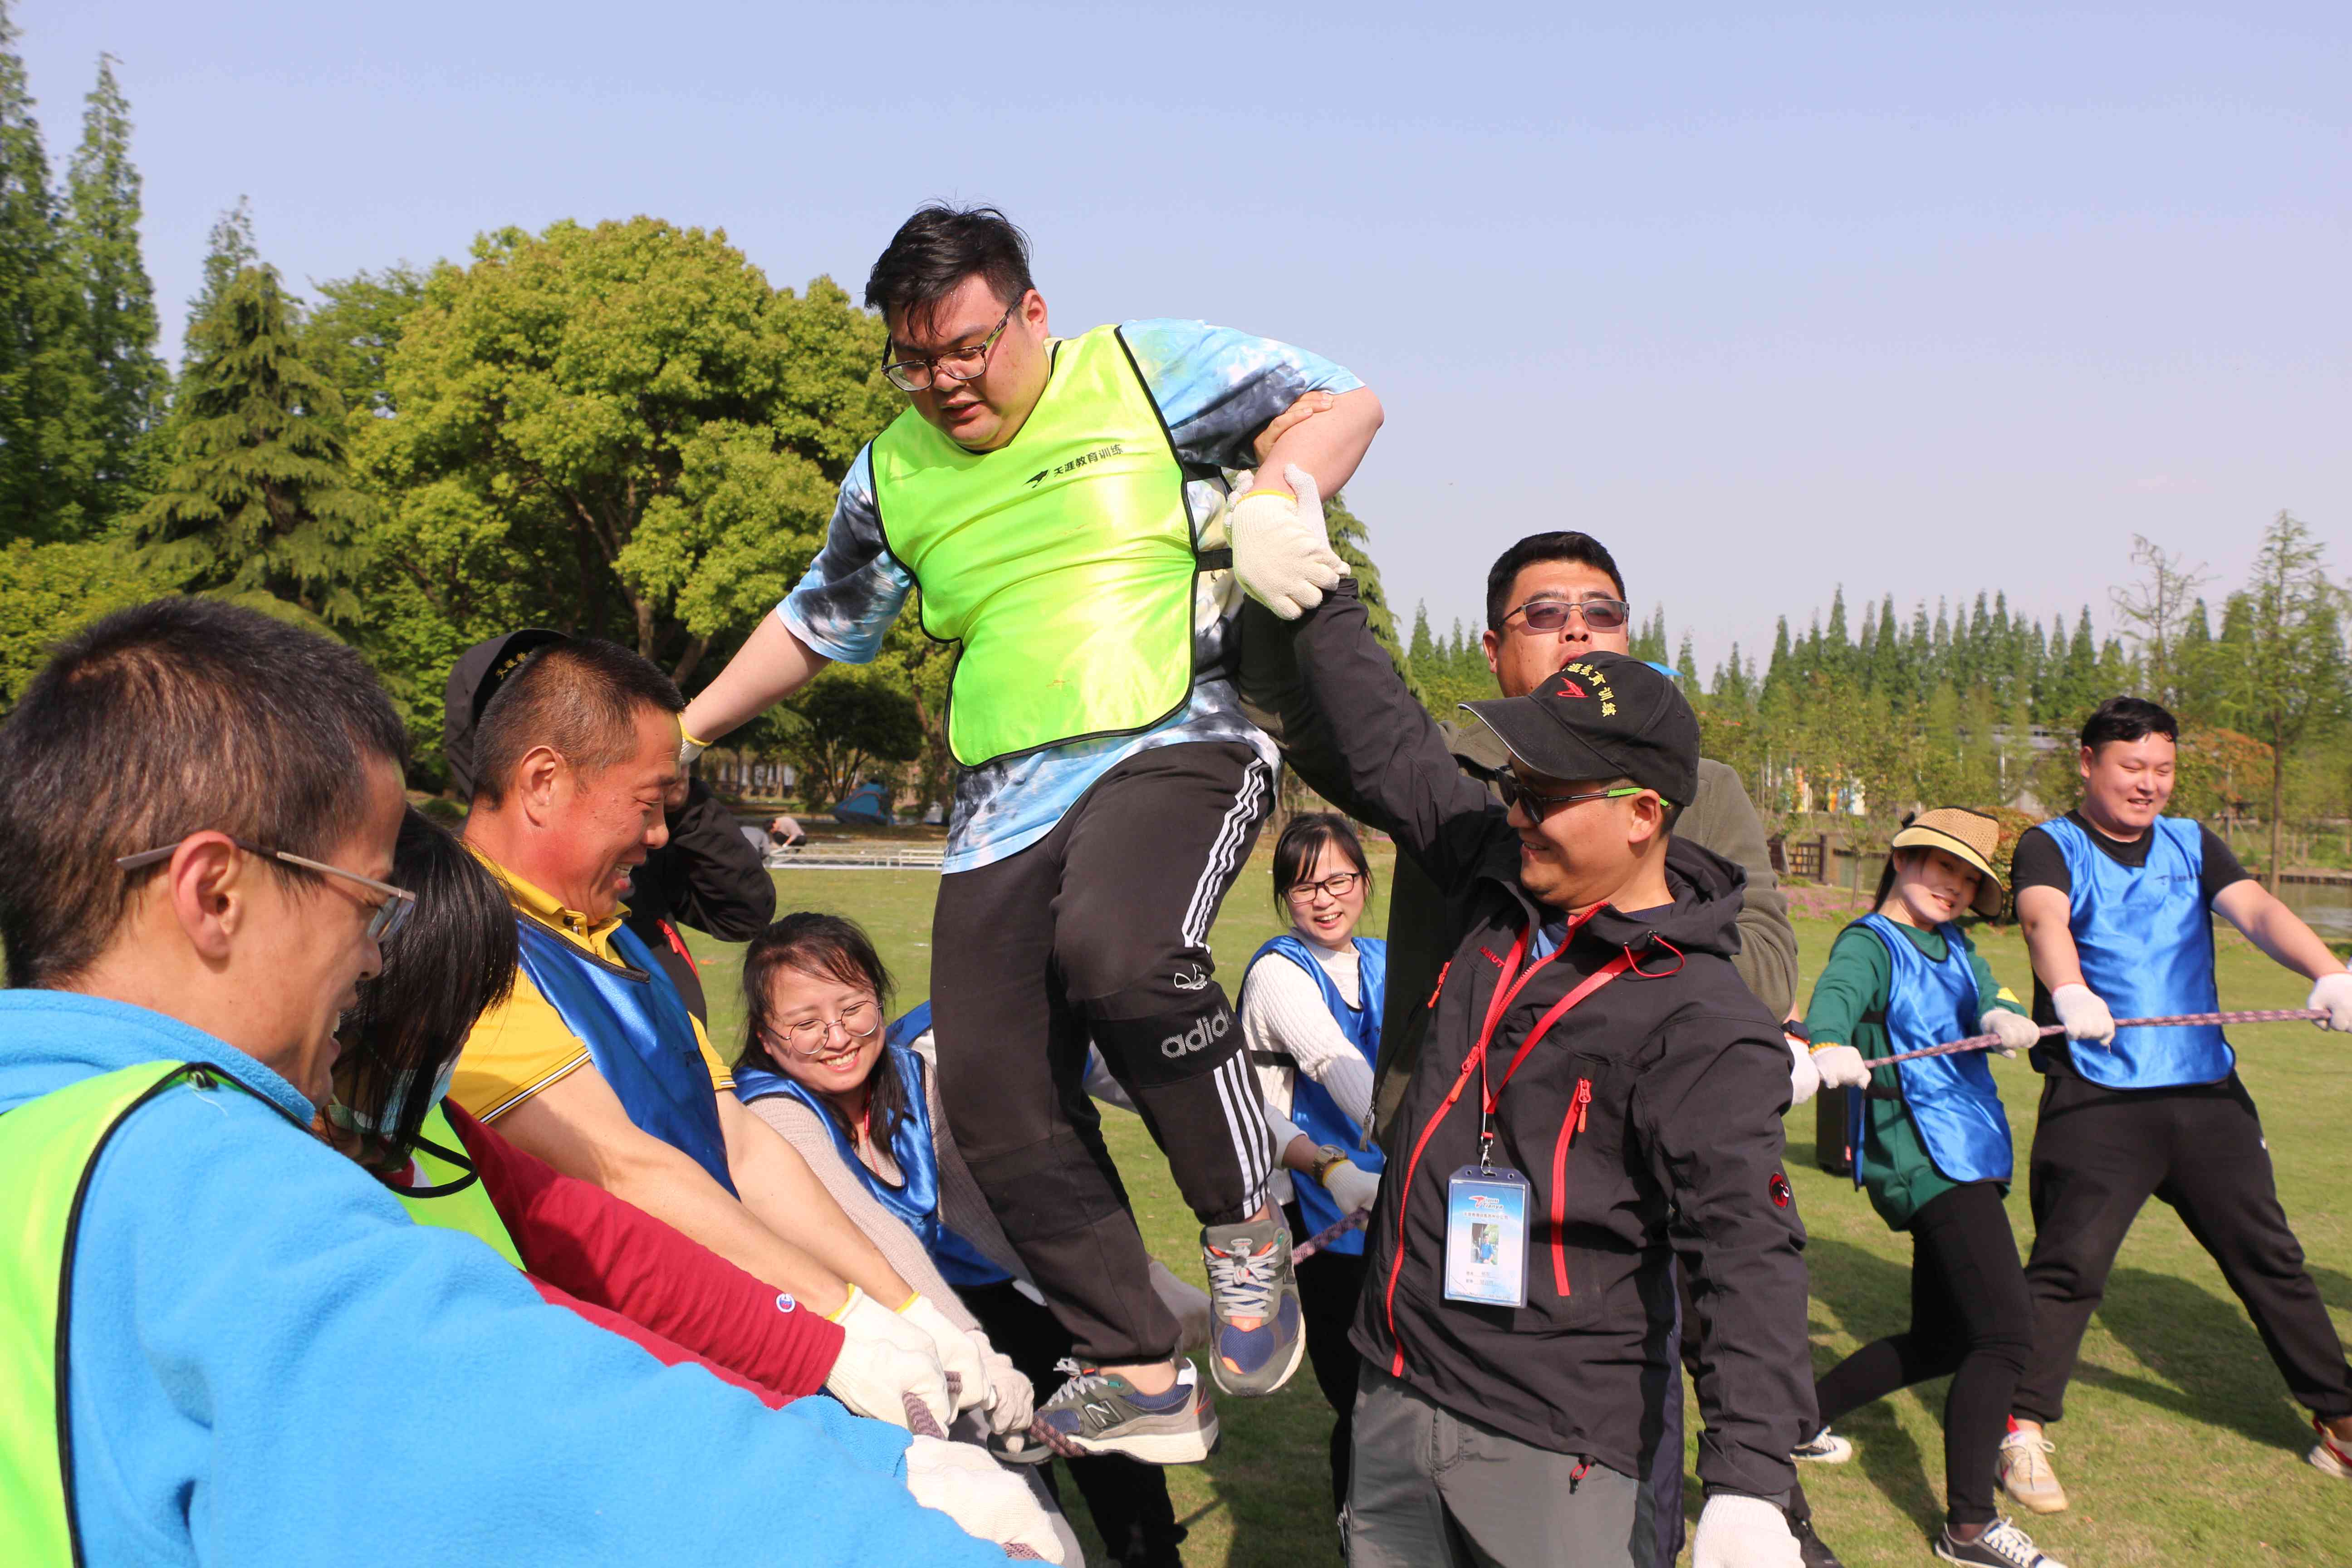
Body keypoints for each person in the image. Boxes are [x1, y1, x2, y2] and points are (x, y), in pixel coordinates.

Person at [0, 598, 1042, 1566]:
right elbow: (547, 1435)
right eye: (369, 898)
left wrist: (855, 1375)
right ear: (215, 894)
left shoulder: (60, 1144)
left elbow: (586, 1284)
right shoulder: (218, 1188)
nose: (376, 957)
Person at [676, 202, 1384, 1455]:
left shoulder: (1137, 370)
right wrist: (681, 735)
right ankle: (1141, 1365)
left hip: (1177, 733)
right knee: (994, 1099)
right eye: (915, 360)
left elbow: (1344, 401)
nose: (945, 381)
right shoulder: (893, 471)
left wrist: (1281, 491)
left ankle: (1248, 1227)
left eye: (965, 346)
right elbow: (815, 622)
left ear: (1030, 314)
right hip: (1006, 799)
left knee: (1124, 955)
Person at [1266, 525, 1834, 1566]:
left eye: (1546, 792)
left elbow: (1746, 1253)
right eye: (1514, 781)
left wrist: (1751, 1480)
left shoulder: (1697, 1018)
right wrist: (1323, 583)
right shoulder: (1495, 868)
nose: (1514, 809)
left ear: (1642, 814)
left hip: (1558, 1443)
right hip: (1398, 1384)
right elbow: (1391, 739)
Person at [450, 633, 1004, 1435]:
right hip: (620, 1392)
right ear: (543, 783)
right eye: (647, 804)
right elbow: (620, 1169)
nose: (660, 836)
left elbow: (737, 1143)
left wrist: (908, 1307)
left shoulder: (614, 937)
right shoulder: (468, 947)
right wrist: (838, 1320)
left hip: (731, 1350)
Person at [729, 913, 1191, 1568]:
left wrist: (1128, 1295)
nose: (836, 1037)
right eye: (804, 1023)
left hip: (958, 1326)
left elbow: (993, 1214)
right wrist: (975, 1352)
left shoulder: (915, 1077)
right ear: (766, 1039)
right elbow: (877, 1237)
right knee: (1011, 1536)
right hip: (865, 1364)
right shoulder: (770, 1112)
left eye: (853, 1008)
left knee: (1111, 1512)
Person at [1999, 697, 2352, 1511]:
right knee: (2067, 1266)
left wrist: (2325, 970)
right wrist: (2068, 988)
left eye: (2161, 769)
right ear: (2087, 763)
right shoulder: (2047, 844)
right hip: (2099, 1094)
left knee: (2270, 1259)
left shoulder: (2192, 842)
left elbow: (2255, 910)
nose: (2147, 784)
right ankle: (2017, 1431)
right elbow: (2040, 916)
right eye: (2131, 767)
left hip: (2202, 1093)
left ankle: (2337, 1421)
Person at [1793, 809, 2063, 1568]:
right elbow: (1831, 1005)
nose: (1951, 885)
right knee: (2006, 1335)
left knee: (1944, 1340)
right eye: (1939, 866)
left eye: (1966, 877)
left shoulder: (1954, 944)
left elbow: (1995, 990)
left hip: (1969, 1152)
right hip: (1926, 1158)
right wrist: (1829, 1047)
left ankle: (1792, 1420)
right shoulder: (1867, 942)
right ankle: (1968, 1528)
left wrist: (2007, 1014)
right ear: (1903, 857)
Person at [445, 628, 775, 1023]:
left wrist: (674, 799)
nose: (657, 835)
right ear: (541, 778)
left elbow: (743, 912)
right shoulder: (447, 920)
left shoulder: (628, 848)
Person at [1235, 812, 1387, 1529]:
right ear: (1284, 898)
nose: (1324, 899)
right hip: (1323, 1207)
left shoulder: (1385, 960)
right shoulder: (1277, 973)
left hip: (1392, 1202)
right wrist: (1401, 1144)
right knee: (1360, 1394)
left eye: (1338, 880)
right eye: (1304, 887)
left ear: (1364, 880)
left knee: (1403, 1387)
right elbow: (1337, 1065)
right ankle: (1357, 1531)